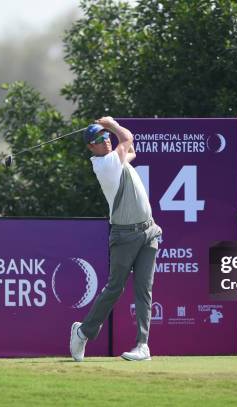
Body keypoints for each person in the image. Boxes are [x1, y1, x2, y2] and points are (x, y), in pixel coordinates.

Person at [70, 116, 162, 362]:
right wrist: (111, 123)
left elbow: (129, 148)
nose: (106, 141)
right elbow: (128, 139)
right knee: (115, 288)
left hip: (149, 232)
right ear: (91, 147)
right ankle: (83, 332)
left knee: (144, 289)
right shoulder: (106, 164)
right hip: (124, 235)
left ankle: (143, 345)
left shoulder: (116, 158)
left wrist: (113, 130)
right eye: (100, 139)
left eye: (107, 137)